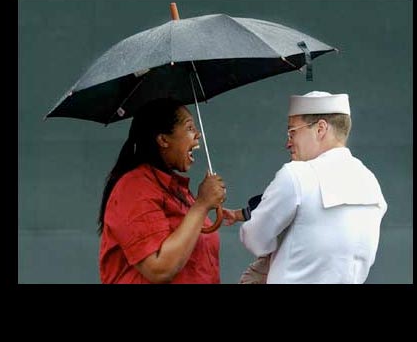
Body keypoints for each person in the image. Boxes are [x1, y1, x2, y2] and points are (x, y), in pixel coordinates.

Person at [224, 91, 387, 284]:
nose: (288, 143)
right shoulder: (369, 182)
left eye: (292, 132)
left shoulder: (297, 175)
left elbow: (254, 238)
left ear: (320, 129)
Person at [97, 98, 227, 284]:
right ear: (163, 139)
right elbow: (159, 269)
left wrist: (205, 208)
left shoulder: (174, 189)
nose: (198, 134)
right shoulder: (135, 187)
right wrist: (201, 205)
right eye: (190, 128)